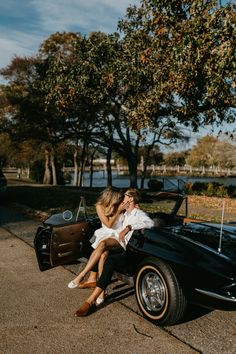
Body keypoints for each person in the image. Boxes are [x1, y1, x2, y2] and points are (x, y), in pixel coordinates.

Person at [74, 188, 154, 316]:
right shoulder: (125, 213)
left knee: (107, 254)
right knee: (104, 253)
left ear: (131, 199)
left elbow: (151, 223)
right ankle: (97, 293)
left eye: (125, 195)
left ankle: (90, 299)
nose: (122, 196)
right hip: (121, 245)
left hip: (131, 251)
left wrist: (129, 227)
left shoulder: (137, 213)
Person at [68, 186, 128, 290]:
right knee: (103, 253)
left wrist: (121, 210)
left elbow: (133, 209)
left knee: (102, 245)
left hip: (117, 235)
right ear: (110, 197)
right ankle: (99, 287)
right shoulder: (100, 206)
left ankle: (81, 276)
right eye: (117, 198)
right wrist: (118, 211)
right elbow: (108, 224)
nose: (119, 200)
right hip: (105, 233)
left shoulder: (120, 205)